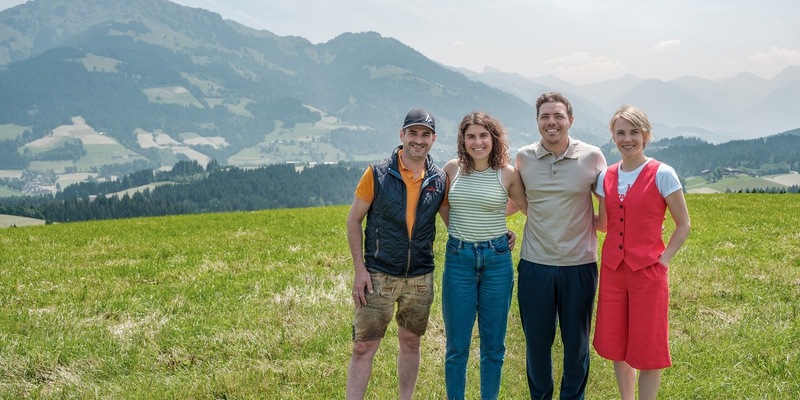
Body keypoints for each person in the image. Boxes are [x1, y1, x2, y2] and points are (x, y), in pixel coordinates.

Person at [344, 108, 447, 400]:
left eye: (425, 134)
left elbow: (455, 221)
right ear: (401, 135)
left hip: (420, 278)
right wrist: (360, 270)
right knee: (364, 346)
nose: (418, 139)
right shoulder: (376, 174)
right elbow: (354, 221)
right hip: (378, 275)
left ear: (433, 139)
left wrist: (495, 232)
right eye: (413, 133)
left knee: (411, 342)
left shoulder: (439, 180)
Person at [592, 105, 691, 400]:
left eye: (634, 132)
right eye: (620, 132)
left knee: (648, 347)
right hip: (612, 272)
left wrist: (663, 261)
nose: (627, 139)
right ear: (613, 137)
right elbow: (602, 224)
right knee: (616, 343)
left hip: (648, 273)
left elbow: (683, 224)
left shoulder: (663, 174)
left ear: (645, 135)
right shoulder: (606, 176)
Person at [514, 92, 607, 400]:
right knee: (536, 344)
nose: (551, 122)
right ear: (537, 121)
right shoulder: (524, 158)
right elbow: (522, 204)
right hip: (535, 265)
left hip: (579, 265)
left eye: (557, 116)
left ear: (570, 120)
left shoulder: (592, 156)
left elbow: (606, 213)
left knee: (577, 344)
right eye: (544, 116)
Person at [438, 111, 527, 400]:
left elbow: (522, 205)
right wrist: (461, 229)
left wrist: (499, 226)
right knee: (456, 347)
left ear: (494, 138)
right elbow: (443, 206)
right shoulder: (451, 170)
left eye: (483, 135)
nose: (478, 142)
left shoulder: (508, 174)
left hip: (497, 261)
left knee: (493, 347)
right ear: (463, 141)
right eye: (471, 136)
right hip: (459, 259)